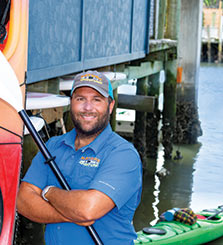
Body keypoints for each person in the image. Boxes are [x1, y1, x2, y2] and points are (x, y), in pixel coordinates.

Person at [17, 70, 142, 244]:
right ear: (71, 103)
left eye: (96, 100)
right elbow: (23, 200)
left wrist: (48, 192)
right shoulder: (53, 146)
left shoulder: (123, 155)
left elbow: (87, 209)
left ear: (110, 105)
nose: (88, 108)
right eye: (80, 99)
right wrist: (70, 214)